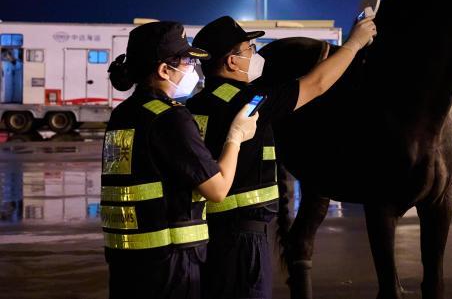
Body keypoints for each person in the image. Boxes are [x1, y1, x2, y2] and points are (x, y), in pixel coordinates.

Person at [186, 15, 376, 299]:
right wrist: (355, 43)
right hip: (243, 239)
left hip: (204, 235)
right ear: (231, 62)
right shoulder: (251, 102)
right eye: (249, 49)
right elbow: (318, 83)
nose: (255, 54)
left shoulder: (193, 105)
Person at [101, 21, 258, 299]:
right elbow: (217, 189)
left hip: (127, 262)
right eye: (187, 62)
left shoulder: (124, 112)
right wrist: (235, 137)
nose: (192, 70)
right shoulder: (170, 117)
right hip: (169, 266)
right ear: (164, 69)